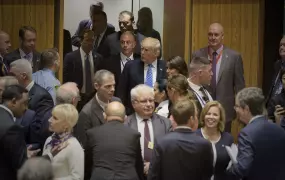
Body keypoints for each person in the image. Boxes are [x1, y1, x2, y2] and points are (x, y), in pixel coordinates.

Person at [192, 22, 245, 132]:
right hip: (202, 108)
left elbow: (240, 86)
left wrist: (240, 108)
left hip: (225, 110)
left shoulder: (234, 57)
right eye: (210, 34)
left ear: (222, 36)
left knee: (223, 143)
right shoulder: (197, 54)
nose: (213, 37)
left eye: (216, 35)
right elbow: (193, 80)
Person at [148, 99, 213, 180]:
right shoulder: (204, 144)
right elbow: (207, 174)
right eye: (196, 116)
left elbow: (153, 175)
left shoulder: (161, 142)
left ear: (174, 118)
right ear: (192, 119)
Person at [228, 87, 285, 180]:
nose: (235, 109)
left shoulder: (247, 133)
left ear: (246, 109)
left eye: (237, 106)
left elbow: (242, 168)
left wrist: (228, 171)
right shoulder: (280, 130)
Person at [86, 102, 144, 180]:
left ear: (104, 116)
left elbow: (87, 164)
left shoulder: (92, 134)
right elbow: (138, 165)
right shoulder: (134, 135)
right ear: (125, 118)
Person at [125, 84, 172, 177]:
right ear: (134, 103)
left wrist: (153, 164)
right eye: (144, 101)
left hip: (158, 173)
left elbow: (170, 150)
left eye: (151, 100)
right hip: (133, 174)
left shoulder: (165, 123)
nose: (149, 104)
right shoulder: (126, 124)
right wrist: (139, 166)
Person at [9, 59, 54, 147]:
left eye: (12, 75)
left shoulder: (42, 96)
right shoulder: (15, 93)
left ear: (23, 76)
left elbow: (40, 130)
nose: (10, 79)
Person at [0, 85, 40, 180]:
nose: (26, 108)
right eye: (25, 103)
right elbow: (21, 165)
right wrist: (49, 156)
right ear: (14, 101)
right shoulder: (12, 128)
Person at [117, 37, 167, 114]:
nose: (142, 52)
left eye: (146, 50)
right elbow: (121, 93)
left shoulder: (165, 67)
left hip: (159, 114)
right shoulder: (130, 66)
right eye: (142, 49)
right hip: (133, 114)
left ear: (157, 53)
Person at [73, 70, 121, 148]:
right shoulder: (86, 113)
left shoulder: (118, 102)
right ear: (96, 86)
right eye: (108, 86)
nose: (113, 89)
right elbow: (84, 144)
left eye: (113, 85)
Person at [64, 30, 103, 111]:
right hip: (78, 98)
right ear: (81, 41)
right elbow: (66, 79)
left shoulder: (98, 58)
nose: (90, 43)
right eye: (88, 40)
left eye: (92, 40)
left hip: (93, 97)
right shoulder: (71, 57)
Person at [43, 104, 84, 180]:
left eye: (55, 118)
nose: (49, 120)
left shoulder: (74, 146)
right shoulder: (49, 140)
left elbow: (77, 177)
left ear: (66, 125)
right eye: (51, 116)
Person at [196, 101, 234, 180]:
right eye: (208, 114)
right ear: (203, 116)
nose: (211, 117)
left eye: (215, 114)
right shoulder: (194, 136)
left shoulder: (228, 138)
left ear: (220, 118)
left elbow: (233, 166)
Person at [266, 36, 285, 105]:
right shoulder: (277, 64)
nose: (281, 48)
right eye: (280, 45)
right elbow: (274, 86)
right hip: (273, 104)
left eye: (284, 45)